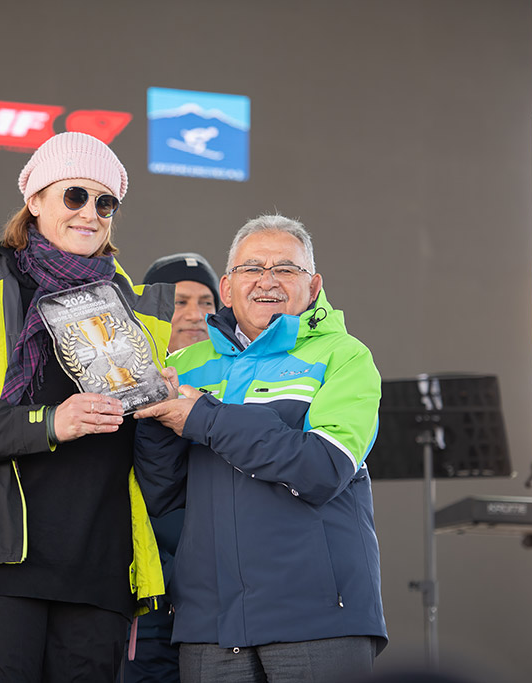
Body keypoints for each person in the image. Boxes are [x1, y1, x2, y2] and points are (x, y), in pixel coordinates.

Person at [0, 132, 173, 682]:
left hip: (97, 577)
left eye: (105, 203)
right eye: (74, 195)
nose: (91, 213)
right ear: (34, 202)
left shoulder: (133, 309)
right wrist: (52, 420)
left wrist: (161, 405)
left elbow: (144, 457)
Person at [133, 215, 387, 683]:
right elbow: (164, 495)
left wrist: (203, 418)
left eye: (285, 269)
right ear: (227, 288)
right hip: (210, 626)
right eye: (252, 268)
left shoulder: (345, 356)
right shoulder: (183, 365)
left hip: (319, 622)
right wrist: (152, 418)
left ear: (312, 287)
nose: (267, 280)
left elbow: (322, 468)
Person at [121, 252, 220, 683]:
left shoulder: (236, 379)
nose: (195, 315)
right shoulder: (117, 379)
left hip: (213, 594)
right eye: (180, 301)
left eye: (206, 302)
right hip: (144, 589)